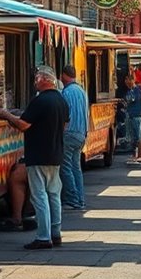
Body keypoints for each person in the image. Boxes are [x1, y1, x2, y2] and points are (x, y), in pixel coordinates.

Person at [0, 66, 70, 250]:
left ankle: (43, 237)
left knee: (39, 196)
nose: (35, 81)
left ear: (46, 80)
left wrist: (5, 115)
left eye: (37, 78)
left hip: (38, 154)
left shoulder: (40, 101)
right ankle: (55, 232)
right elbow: (65, 125)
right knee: (54, 194)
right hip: (56, 154)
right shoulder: (61, 100)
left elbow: (23, 124)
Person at [59, 65, 88, 211]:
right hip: (81, 133)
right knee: (76, 167)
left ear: (64, 75)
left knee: (65, 167)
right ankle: (80, 199)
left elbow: (65, 116)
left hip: (69, 133)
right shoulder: (82, 91)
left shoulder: (65, 92)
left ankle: (72, 200)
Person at [122, 73, 141, 163]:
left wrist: (125, 103)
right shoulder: (135, 90)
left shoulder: (134, 91)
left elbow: (130, 100)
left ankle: (140, 155)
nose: (126, 82)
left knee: (138, 137)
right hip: (133, 116)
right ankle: (135, 155)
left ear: (132, 80)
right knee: (134, 137)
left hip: (136, 116)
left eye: (127, 79)